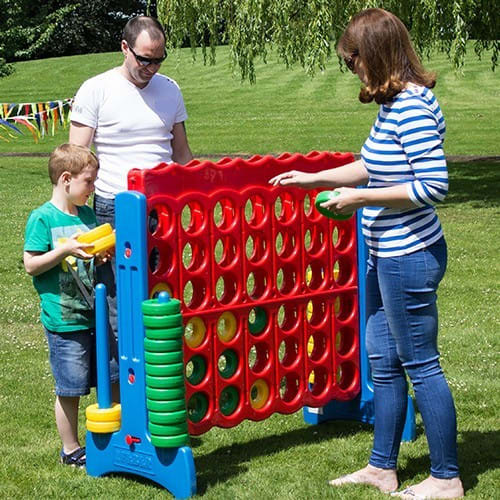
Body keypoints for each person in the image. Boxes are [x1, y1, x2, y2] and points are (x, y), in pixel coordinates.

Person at [270, 8, 464, 500]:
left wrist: (361, 199)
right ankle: (382, 468)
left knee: (421, 364)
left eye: (352, 58)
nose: (351, 67)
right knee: (383, 362)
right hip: (383, 253)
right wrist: (315, 178)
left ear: (373, 55)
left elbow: (432, 184)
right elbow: (370, 164)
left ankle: (446, 477)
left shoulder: (414, 108)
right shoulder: (393, 105)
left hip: (409, 256)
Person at [69, 15, 193, 338]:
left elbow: (181, 154)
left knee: (163, 292)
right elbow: (75, 159)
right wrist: (73, 214)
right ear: (125, 48)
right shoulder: (96, 89)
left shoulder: (170, 90)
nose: (151, 68)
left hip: (164, 207)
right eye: (144, 60)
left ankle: (159, 376)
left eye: (158, 60)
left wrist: (196, 195)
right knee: (119, 301)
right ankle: (125, 380)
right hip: (115, 207)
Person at [23, 144, 119, 467]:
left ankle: (110, 437)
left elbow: (93, 254)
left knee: (103, 376)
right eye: (88, 182)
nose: (93, 189)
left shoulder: (88, 216)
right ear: (66, 179)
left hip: (91, 313)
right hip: (63, 318)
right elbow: (31, 264)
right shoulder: (42, 219)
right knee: (70, 387)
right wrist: (65, 251)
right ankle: (70, 449)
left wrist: (101, 253)